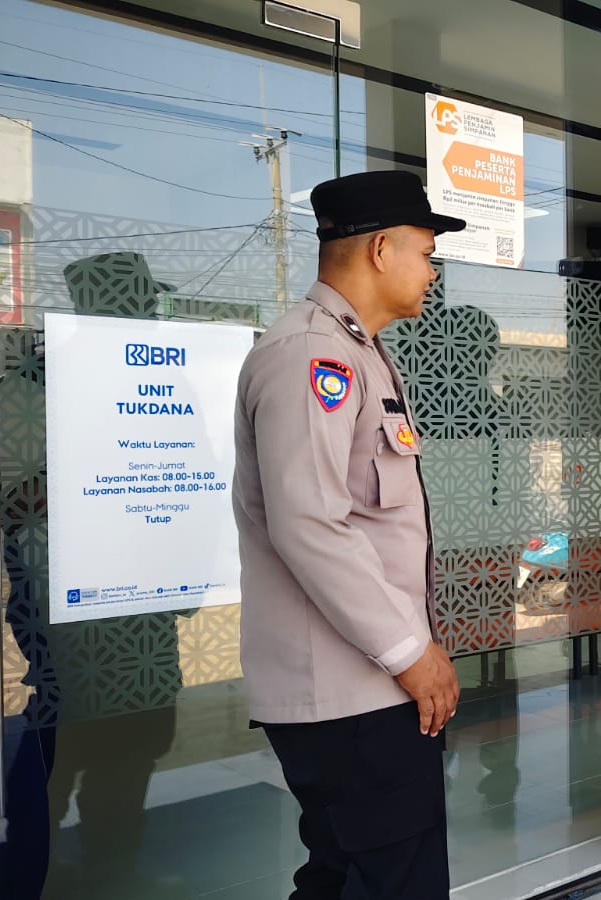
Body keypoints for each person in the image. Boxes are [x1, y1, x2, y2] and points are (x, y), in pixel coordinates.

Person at [232, 170, 466, 900]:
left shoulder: (356, 351)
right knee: (397, 880)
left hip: (361, 687)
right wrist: (410, 654)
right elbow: (309, 524)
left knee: (340, 879)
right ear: (381, 249)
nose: (432, 272)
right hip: (349, 693)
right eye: (426, 253)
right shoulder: (313, 355)